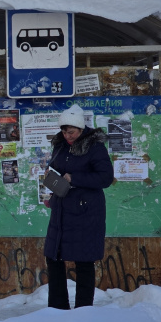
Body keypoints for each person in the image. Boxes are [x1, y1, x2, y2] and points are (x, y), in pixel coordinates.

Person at [44, 104, 114, 309]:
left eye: (71, 132)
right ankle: (57, 309)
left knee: (84, 261)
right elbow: (59, 170)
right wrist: (52, 180)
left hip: (86, 213)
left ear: (81, 129)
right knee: (53, 258)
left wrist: (75, 178)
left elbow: (106, 178)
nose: (67, 136)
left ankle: (84, 310)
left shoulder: (95, 147)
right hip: (61, 210)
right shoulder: (60, 145)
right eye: (64, 131)